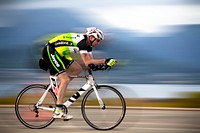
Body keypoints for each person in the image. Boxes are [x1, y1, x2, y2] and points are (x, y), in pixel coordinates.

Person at [40, 27, 116, 120]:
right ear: (91, 38)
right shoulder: (82, 43)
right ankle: (58, 111)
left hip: (59, 53)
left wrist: (100, 66)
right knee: (65, 79)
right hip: (50, 50)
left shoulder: (88, 46)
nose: (99, 43)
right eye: (98, 40)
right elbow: (87, 62)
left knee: (77, 69)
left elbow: (90, 62)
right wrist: (105, 60)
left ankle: (59, 90)